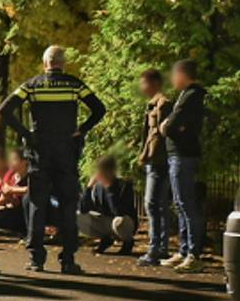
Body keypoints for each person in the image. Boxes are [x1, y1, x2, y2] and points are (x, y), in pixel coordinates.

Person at [0, 45, 106, 273]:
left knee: (37, 203)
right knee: (68, 204)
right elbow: (99, 109)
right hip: (66, 150)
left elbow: (4, 110)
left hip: (40, 151)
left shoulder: (32, 85)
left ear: (45, 63)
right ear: (63, 63)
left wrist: (26, 134)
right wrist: (81, 129)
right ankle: (68, 259)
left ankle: (37, 259)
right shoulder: (74, 85)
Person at [161, 59, 207, 273]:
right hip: (177, 155)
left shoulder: (192, 96)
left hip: (183, 156)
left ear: (182, 74)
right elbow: (173, 125)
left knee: (186, 204)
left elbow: (170, 125)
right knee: (180, 204)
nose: (172, 79)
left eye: (174, 74)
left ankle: (193, 254)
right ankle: (184, 249)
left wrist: (168, 125)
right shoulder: (185, 96)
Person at [136, 68, 172, 266]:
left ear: (154, 83)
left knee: (153, 203)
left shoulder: (163, 104)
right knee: (157, 204)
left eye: (144, 82)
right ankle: (160, 247)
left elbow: (160, 136)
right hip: (153, 159)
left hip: (159, 161)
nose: (142, 87)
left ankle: (156, 248)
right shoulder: (153, 104)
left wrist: (149, 154)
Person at [77, 155, 138, 255]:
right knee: (77, 216)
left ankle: (128, 242)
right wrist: (88, 188)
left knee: (119, 221)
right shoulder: (97, 187)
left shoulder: (124, 185)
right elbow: (83, 209)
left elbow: (118, 212)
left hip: (124, 223)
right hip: (107, 221)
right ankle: (106, 239)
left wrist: (109, 188)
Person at [0, 148, 28, 235]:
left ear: (24, 162)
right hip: (14, 209)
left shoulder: (30, 176)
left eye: (14, 160)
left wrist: (12, 190)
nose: (11, 163)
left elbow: (32, 189)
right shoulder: (13, 177)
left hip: (26, 212)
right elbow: (6, 198)